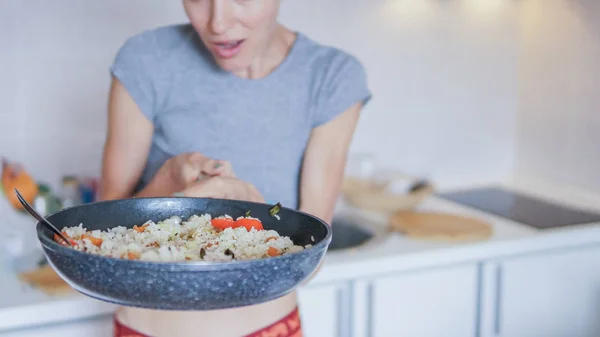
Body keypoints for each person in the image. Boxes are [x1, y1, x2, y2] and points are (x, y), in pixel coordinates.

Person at [99, 0, 371, 336]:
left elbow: (310, 257)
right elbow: (102, 231)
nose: (217, 23)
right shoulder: (145, 59)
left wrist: (256, 210)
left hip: (268, 328)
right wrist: (167, 180)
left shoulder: (331, 76)